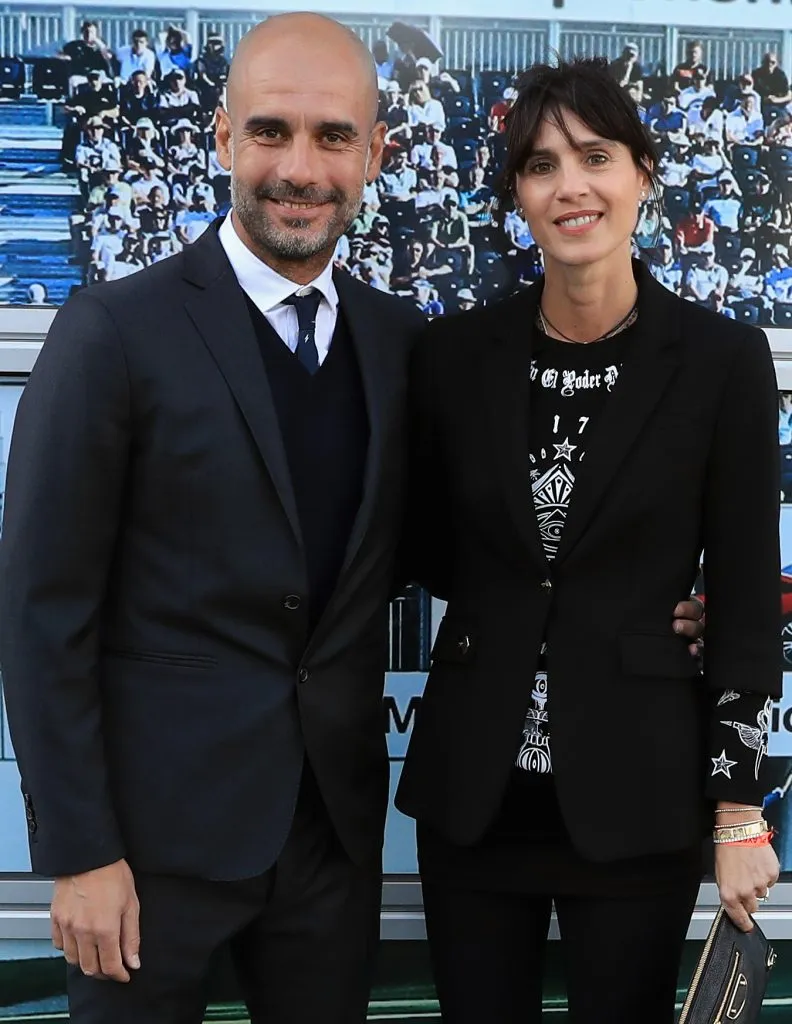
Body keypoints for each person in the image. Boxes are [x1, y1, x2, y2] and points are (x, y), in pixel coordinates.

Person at [0, 14, 427, 1024]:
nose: (299, 168)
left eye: (333, 137)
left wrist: (664, 599)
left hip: (330, 844)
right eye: (271, 131)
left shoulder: (401, 342)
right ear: (225, 137)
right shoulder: (114, 330)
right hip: (144, 857)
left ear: (375, 154)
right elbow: (41, 609)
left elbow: (443, 549)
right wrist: (80, 852)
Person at [396, 57, 779, 1024]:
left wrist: (739, 812)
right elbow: (427, 550)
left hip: (640, 790)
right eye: (541, 165)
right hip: (474, 799)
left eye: (596, 156)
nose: (571, 186)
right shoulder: (452, 358)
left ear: (642, 173)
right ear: (517, 195)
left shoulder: (721, 361)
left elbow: (743, 597)